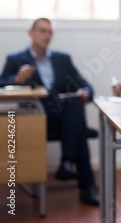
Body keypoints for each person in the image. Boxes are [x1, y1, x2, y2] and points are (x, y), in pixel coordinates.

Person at [0, 18, 99, 205]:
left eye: (50, 32)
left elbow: (84, 84)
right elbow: (2, 84)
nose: (47, 35)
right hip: (36, 117)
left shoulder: (63, 59)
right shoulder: (16, 60)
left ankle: (67, 162)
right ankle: (83, 183)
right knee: (78, 131)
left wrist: (86, 92)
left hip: (63, 116)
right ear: (31, 32)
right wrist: (16, 79)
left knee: (75, 103)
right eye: (42, 30)